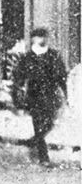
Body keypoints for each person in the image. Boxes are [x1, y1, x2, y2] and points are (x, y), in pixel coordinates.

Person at [13, 28, 68, 166]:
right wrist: (18, 95)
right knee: (38, 124)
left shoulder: (53, 55)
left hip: (51, 94)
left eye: (43, 37)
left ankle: (36, 140)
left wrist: (66, 94)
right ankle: (43, 156)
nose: (41, 39)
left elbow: (62, 76)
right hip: (34, 95)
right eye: (38, 37)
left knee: (49, 122)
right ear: (33, 39)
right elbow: (19, 76)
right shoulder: (27, 57)